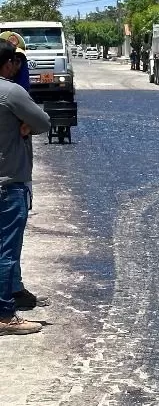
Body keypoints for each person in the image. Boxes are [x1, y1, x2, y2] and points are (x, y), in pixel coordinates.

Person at [0, 42, 51, 335]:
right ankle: (5, 315)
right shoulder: (10, 92)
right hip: (8, 183)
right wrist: (25, 125)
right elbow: (43, 121)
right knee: (6, 251)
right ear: (8, 64)